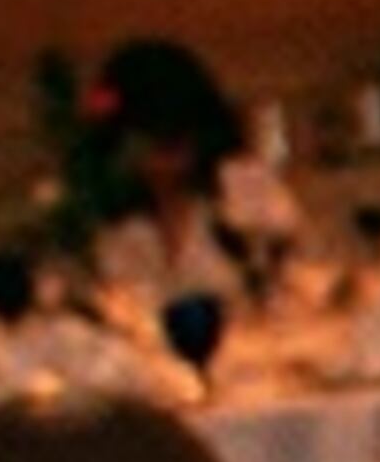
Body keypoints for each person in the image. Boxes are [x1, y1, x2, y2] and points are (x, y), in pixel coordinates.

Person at [75, 38, 269, 307]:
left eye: (179, 125)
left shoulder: (247, 195)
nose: (165, 140)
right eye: (149, 128)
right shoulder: (105, 228)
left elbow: (306, 291)